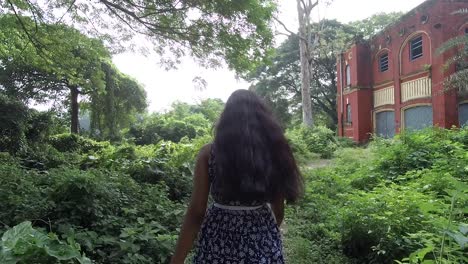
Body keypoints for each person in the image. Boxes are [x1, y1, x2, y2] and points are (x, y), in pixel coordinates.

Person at [170, 89, 303, 264]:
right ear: (263, 120)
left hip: (217, 239)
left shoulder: (208, 154)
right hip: (261, 237)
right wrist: (261, 234)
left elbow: (197, 212)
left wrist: (177, 260)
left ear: (226, 119)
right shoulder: (274, 152)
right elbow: (278, 213)